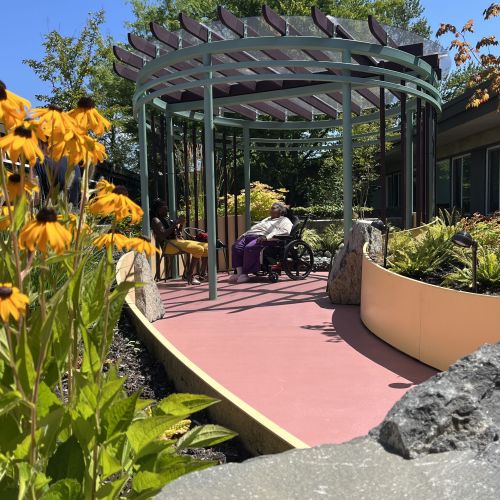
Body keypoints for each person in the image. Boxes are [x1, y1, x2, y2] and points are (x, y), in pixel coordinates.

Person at [230, 202, 292, 283]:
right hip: (249, 236)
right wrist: (243, 234)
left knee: (250, 248)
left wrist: (267, 237)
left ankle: (245, 274)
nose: (271, 210)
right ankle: (239, 273)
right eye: (271, 208)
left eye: (273, 208)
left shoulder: (284, 220)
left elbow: (285, 231)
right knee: (236, 247)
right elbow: (255, 228)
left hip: (263, 238)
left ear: (280, 211)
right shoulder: (267, 219)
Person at [151, 199, 208, 285]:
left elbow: (178, 233)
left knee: (207, 246)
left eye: (167, 208)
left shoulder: (167, 219)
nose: (167, 210)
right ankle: (189, 275)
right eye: (164, 208)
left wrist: (181, 224)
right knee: (198, 248)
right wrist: (175, 224)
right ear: (158, 209)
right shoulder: (156, 220)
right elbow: (163, 235)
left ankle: (202, 274)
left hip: (177, 242)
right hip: (168, 245)